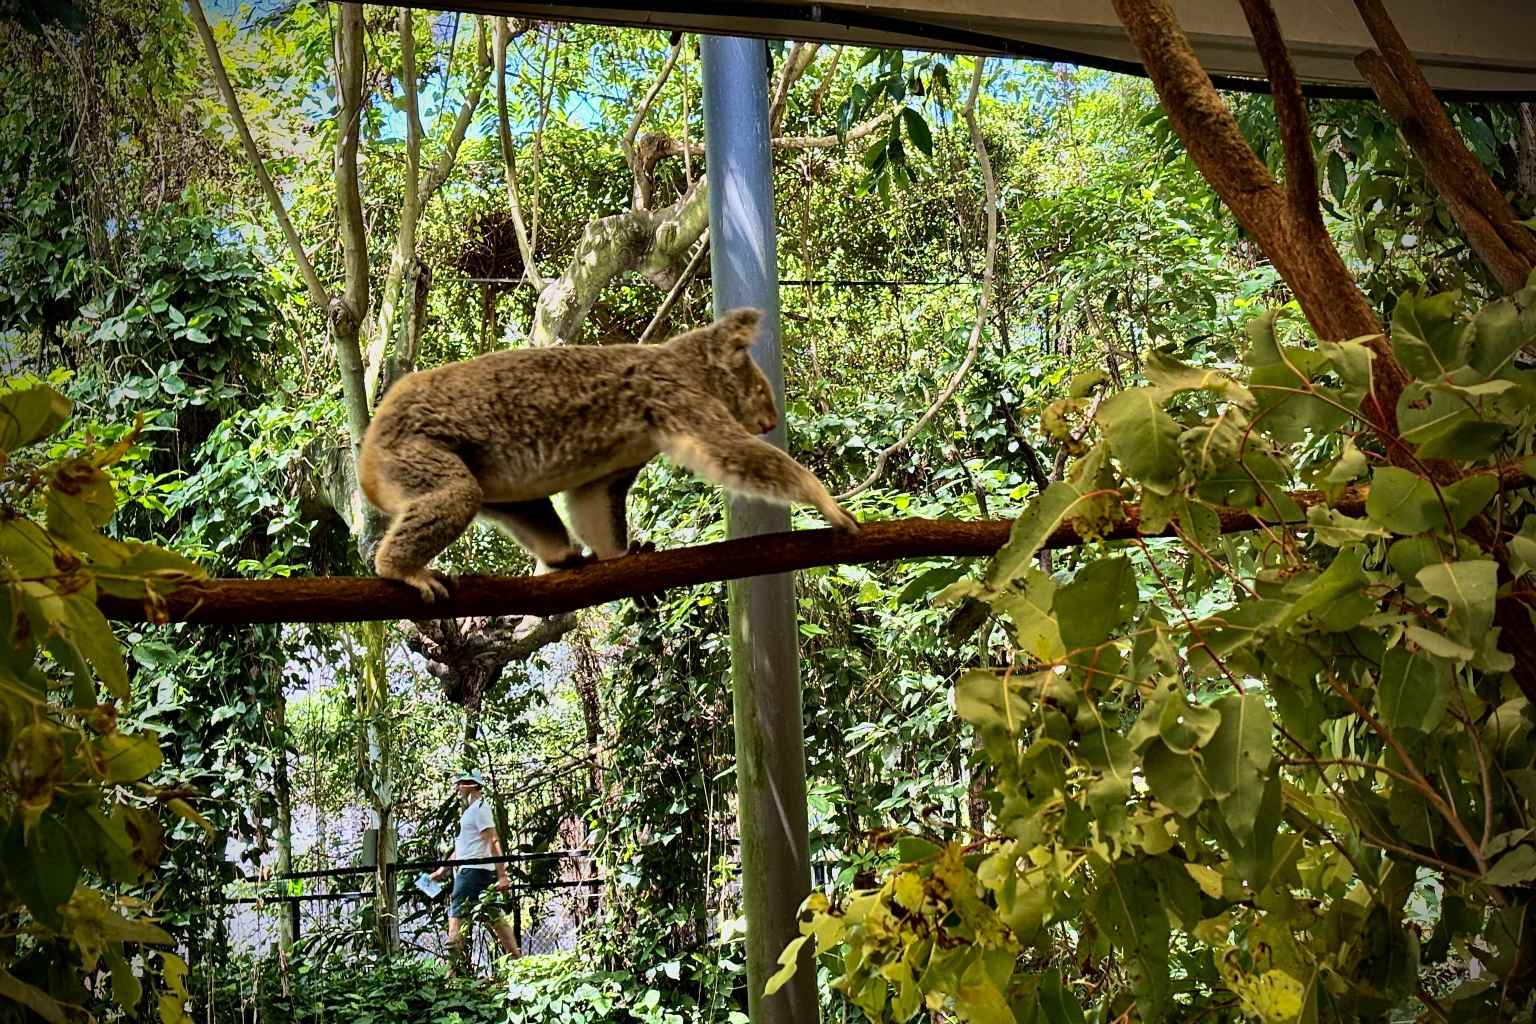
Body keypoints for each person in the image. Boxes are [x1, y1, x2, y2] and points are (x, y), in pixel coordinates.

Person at [429, 769, 520, 969]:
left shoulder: (480, 809)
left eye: (460, 784)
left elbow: (493, 840)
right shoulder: (471, 812)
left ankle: (450, 973)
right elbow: (463, 849)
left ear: (471, 785)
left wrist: (503, 875)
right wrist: (441, 872)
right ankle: (518, 963)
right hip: (473, 870)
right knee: (496, 919)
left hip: (471, 873)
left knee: (456, 919)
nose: (457, 788)